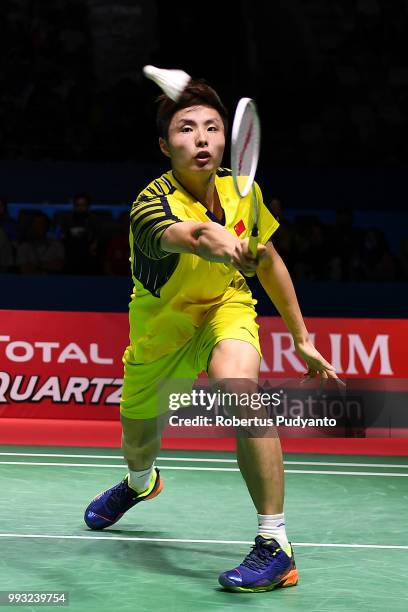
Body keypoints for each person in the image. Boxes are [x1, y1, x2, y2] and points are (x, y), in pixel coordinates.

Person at [84, 80, 339, 593]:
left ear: (228, 140)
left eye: (212, 128)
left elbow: (268, 260)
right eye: (185, 129)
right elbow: (197, 236)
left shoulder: (242, 192)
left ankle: (275, 546)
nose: (201, 138)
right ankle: (141, 483)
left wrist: (301, 336)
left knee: (242, 396)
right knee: (137, 444)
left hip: (226, 309)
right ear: (164, 146)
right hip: (162, 334)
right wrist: (228, 246)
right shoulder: (149, 206)